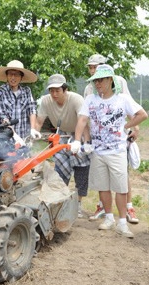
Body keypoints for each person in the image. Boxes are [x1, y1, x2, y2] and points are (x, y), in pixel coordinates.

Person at [72, 65, 148, 238]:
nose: (97, 83)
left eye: (101, 80)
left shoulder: (122, 99)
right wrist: (77, 140)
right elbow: (82, 119)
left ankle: (122, 222)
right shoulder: (90, 99)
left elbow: (142, 114)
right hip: (98, 151)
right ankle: (108, 217)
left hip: (117, 150)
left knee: (120, 188)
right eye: (95, 80)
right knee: (103, 187)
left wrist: (126, 126)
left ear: (110, 80)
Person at [84, 53, 140, 224]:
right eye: (90, 67)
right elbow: (87, 116)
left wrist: (133, 127)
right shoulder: (89, 89)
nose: (93, 70)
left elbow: (128, 105)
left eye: (96, 66)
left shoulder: (119, 81)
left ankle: (128, 208)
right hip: (99, 141)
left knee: (122, 175)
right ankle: (103, 208)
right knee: (102, 179)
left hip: (118, 138)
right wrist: (86, 139)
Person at [35, 74, 92, 218]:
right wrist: (34, 133)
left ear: (64, 89)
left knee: (81, 168)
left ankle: (78, 203)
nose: (54, 94)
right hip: (61, 134)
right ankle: (62, 199)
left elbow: (83, 121)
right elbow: (40, 120)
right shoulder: (46, 101)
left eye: (57, 90)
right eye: (51, 90)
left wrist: (82, 141)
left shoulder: (76, 99)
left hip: (79, 131)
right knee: (60, 168)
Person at [0, 60, 41, 140]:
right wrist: (14, 135)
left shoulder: (27, 91)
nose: (13, 77)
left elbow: (32, 110)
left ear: (21, 77)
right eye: (10, 74)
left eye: (17, 75)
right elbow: (3, 116)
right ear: (7, 76)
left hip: (23, 135)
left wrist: (32, 129)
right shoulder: (0, 92)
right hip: (5, 138)